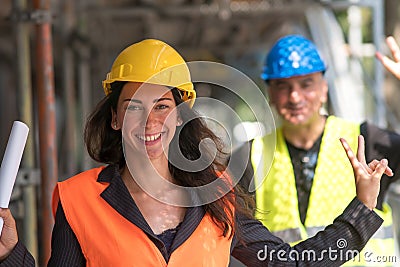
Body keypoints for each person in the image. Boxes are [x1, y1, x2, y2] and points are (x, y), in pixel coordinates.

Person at [0, 38, 393, 267]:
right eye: (134, 106)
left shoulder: (217, 194)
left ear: (179, 116)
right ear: (116, 119)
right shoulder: (78, 199)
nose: (149, 121)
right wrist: (12, 255)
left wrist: (360, 209)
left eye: (162, 106)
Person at [230, 35, 400, 266]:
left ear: (324, 88)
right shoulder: (250, 157)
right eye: (283, 86)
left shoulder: (367, 141)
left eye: (306, 84)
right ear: (270, 93)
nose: (295, 96)